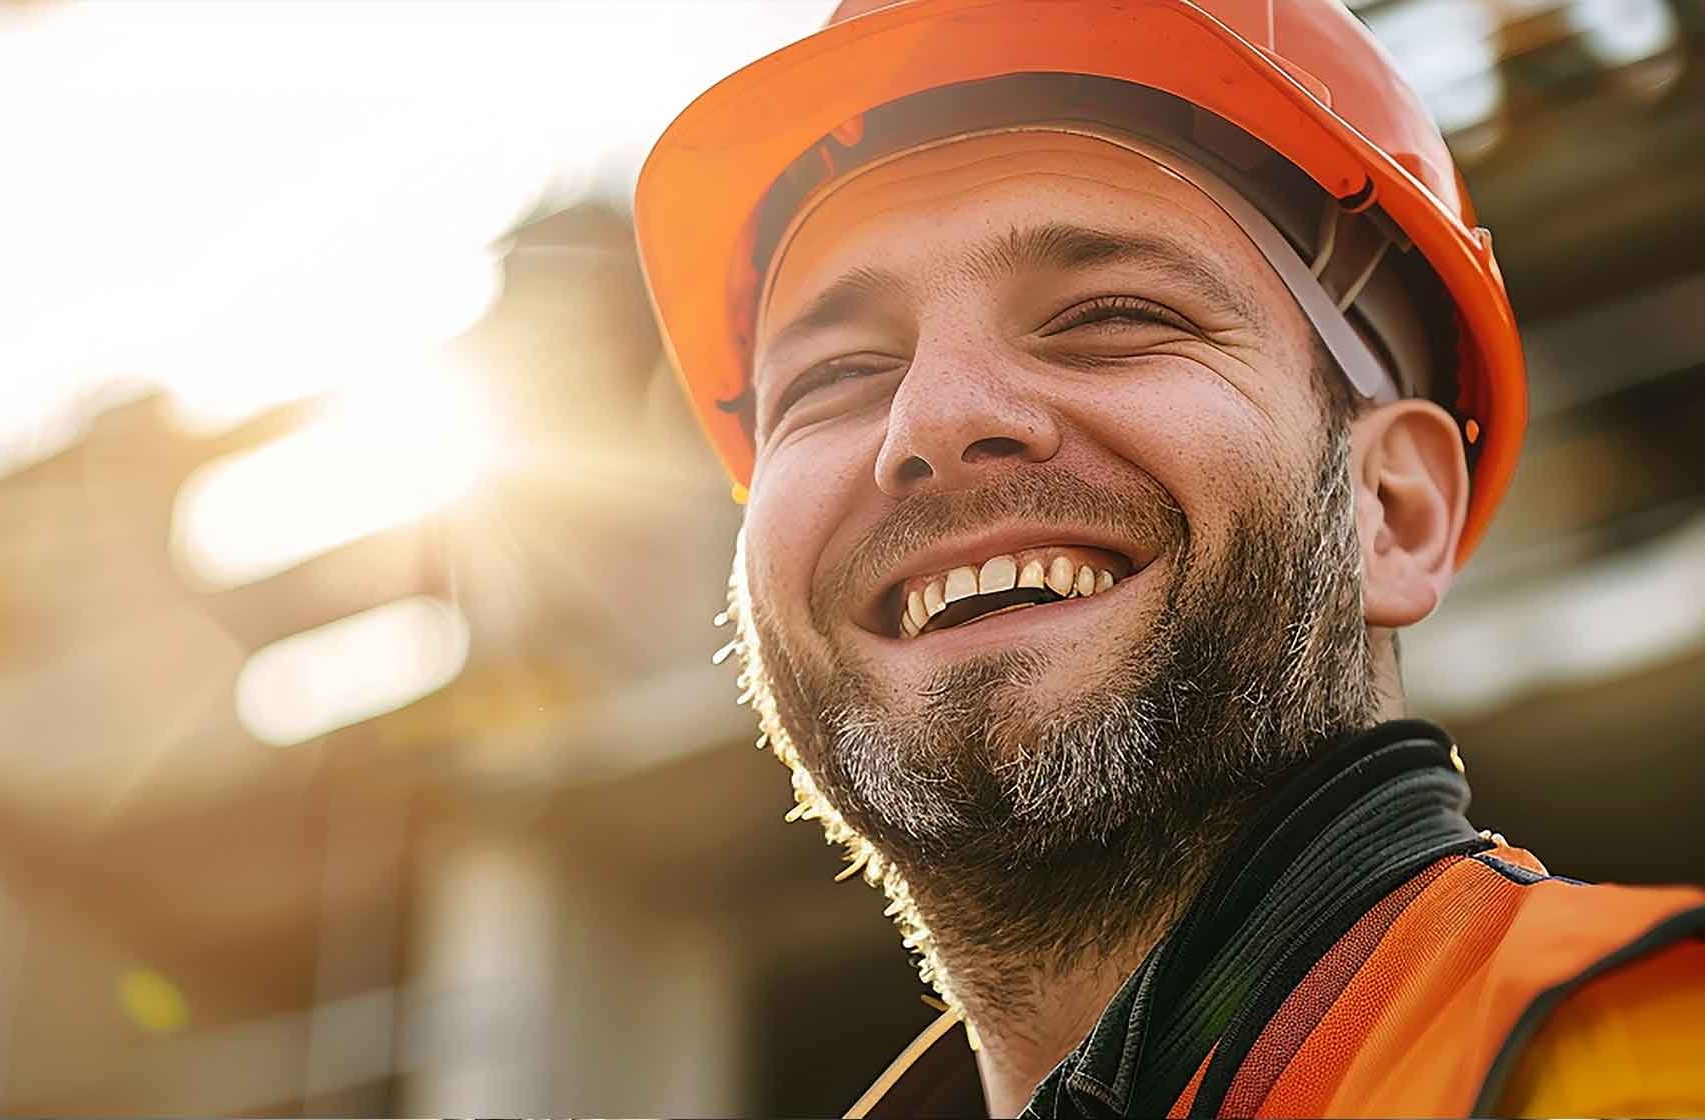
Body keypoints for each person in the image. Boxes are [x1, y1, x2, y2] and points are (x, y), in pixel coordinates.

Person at [633, 0, 1705, 1116]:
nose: (934, 419)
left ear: (1391, 510)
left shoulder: (1638, 1061)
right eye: (834, 377)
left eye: (1109, 313)